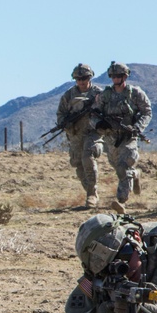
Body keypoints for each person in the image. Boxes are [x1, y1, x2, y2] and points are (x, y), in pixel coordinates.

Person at [90, 62, 152, 215]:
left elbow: (147, 112)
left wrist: (137, 127)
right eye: (113, 76)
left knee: (124, 167)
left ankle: (121, 201)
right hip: (111, 137)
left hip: (128, 136)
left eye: (119, 76)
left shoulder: (135, 93)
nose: (116, 79)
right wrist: (99, 124)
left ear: (125, 76)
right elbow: (93, 114)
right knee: (118, 167)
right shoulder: (105, 95)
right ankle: (135, 174)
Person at [56, 63, 103, 208]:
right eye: (78, 78)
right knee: (78, 165)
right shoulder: (69, 95)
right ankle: (91, 191)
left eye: (85, 78)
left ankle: (91, 194)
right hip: (76, 133)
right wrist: (66, 123)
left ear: (90, 78)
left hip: (93, 132)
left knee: (87, 157)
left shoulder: (98, 94)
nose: (82, 81)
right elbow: (61, 114)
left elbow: (106, 112)